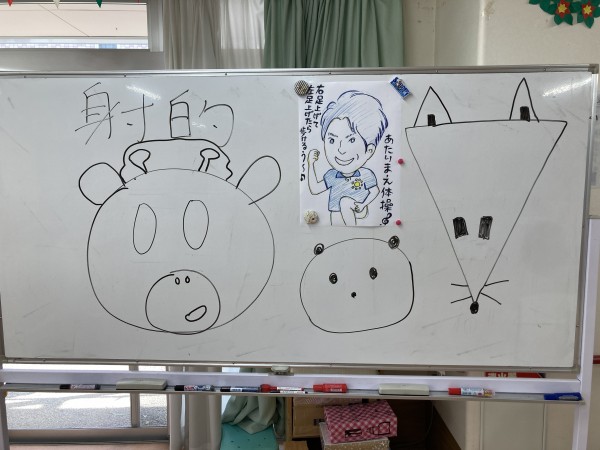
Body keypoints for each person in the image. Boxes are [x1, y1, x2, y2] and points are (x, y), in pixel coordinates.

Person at [307, 90, 388, 225]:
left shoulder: (365, 174)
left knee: (345, 202)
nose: (340, 150)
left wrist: (363, 204)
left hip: (358, 209)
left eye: (351, 140)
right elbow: (315, 189)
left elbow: (375, 190)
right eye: (332, 140)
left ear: (369, 150)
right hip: (336, 214)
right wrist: (310, 164)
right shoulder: (331, 175)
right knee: (337, 217)